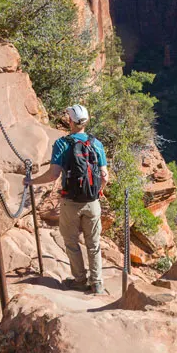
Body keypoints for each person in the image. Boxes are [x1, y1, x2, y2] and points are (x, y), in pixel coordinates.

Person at [28, 104, 109, 294]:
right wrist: (99, 191)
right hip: (92, 202)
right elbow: (104, 176)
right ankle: (97, 282)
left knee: (71, 242)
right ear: (87, 121)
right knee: (94, 244)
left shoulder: (62, 144)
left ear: (70, 121)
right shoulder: (96, 144)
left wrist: (31, 181)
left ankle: (80, 280)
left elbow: (52, 175)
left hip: (70, 202)